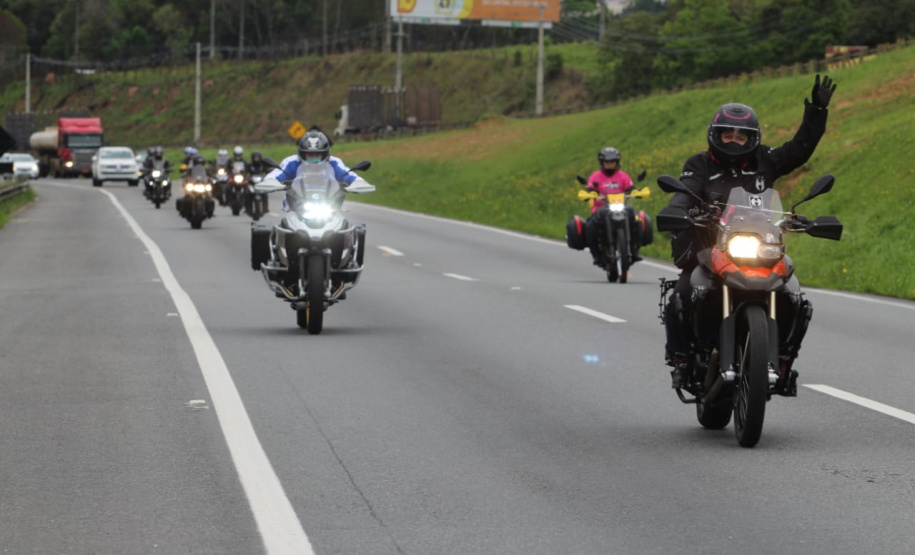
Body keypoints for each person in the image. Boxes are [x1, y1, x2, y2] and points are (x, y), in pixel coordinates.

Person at [662, 74, 837, 387]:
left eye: (740, 137)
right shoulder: (700, 164)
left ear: (751, 139)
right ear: (714, 136)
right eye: (726, 135)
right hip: (712, 250)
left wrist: (817, 113)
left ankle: (783, 358)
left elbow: (799, 150)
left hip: (761, 249)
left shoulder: (765, 160)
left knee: (794, 293)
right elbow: (684, 192)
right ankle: (681, 356)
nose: (733, 141)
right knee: (683, 291)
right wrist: (678, 211)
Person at [584, 147, 642, 267]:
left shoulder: (623, 176)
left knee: (637, 220)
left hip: (621, 208)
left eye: (612, 162)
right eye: (607, 163)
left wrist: (636, 192)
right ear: (602, 163)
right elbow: (589, 188)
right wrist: (588, 193)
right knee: (589, 226)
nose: (610, 165)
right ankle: (596, 256)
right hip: (602, 209)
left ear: (617, 163)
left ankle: (634, 250)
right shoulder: (595, 176)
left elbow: (631, 187)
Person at [266, 127, 370, 191]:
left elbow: (348, 175)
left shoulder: (334, 163)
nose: (313, 159)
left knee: (347, 225)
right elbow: (276, 174)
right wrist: (270, 182)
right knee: (283, 224)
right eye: (309, 155)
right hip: (295, 209)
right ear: (301, 154)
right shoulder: (291, 162)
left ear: (326, 154)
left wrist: (358, 183)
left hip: (330, 210)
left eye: (317, 155)